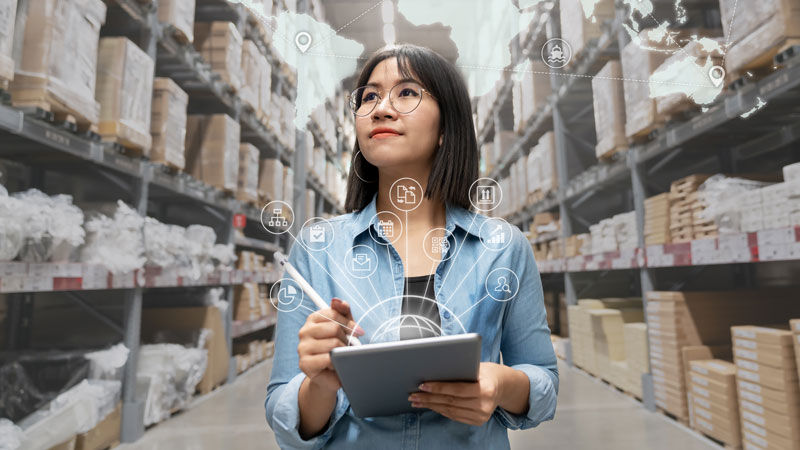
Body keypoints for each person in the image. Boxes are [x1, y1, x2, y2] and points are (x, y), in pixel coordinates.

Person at [265, 44, 558, 449]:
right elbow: (284, 413)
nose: (381, 109)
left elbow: (543, 381)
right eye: (369, 96)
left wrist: (502, 383)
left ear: (446, 127)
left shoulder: (502, 248)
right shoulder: (316, 249)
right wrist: (320, 385)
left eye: (406, 92)